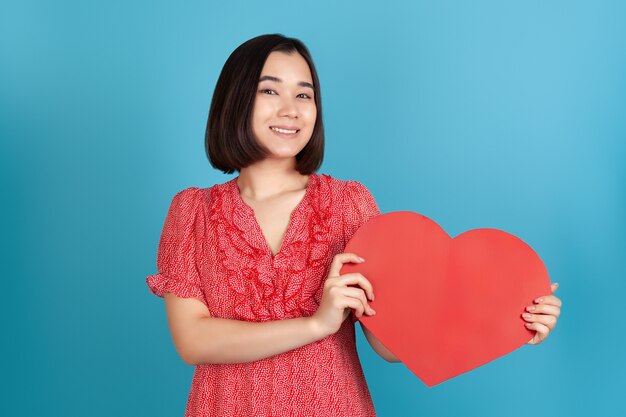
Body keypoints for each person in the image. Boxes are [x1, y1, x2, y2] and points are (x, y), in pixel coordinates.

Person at [146, 34, 562, 416]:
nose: (290, 109)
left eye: (304, 95)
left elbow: (391, 340)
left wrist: (509, 318)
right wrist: (316, 325)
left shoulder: (348, 204)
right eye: (270, 90)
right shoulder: (192, 211)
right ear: (235, 100)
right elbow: (193, 341)